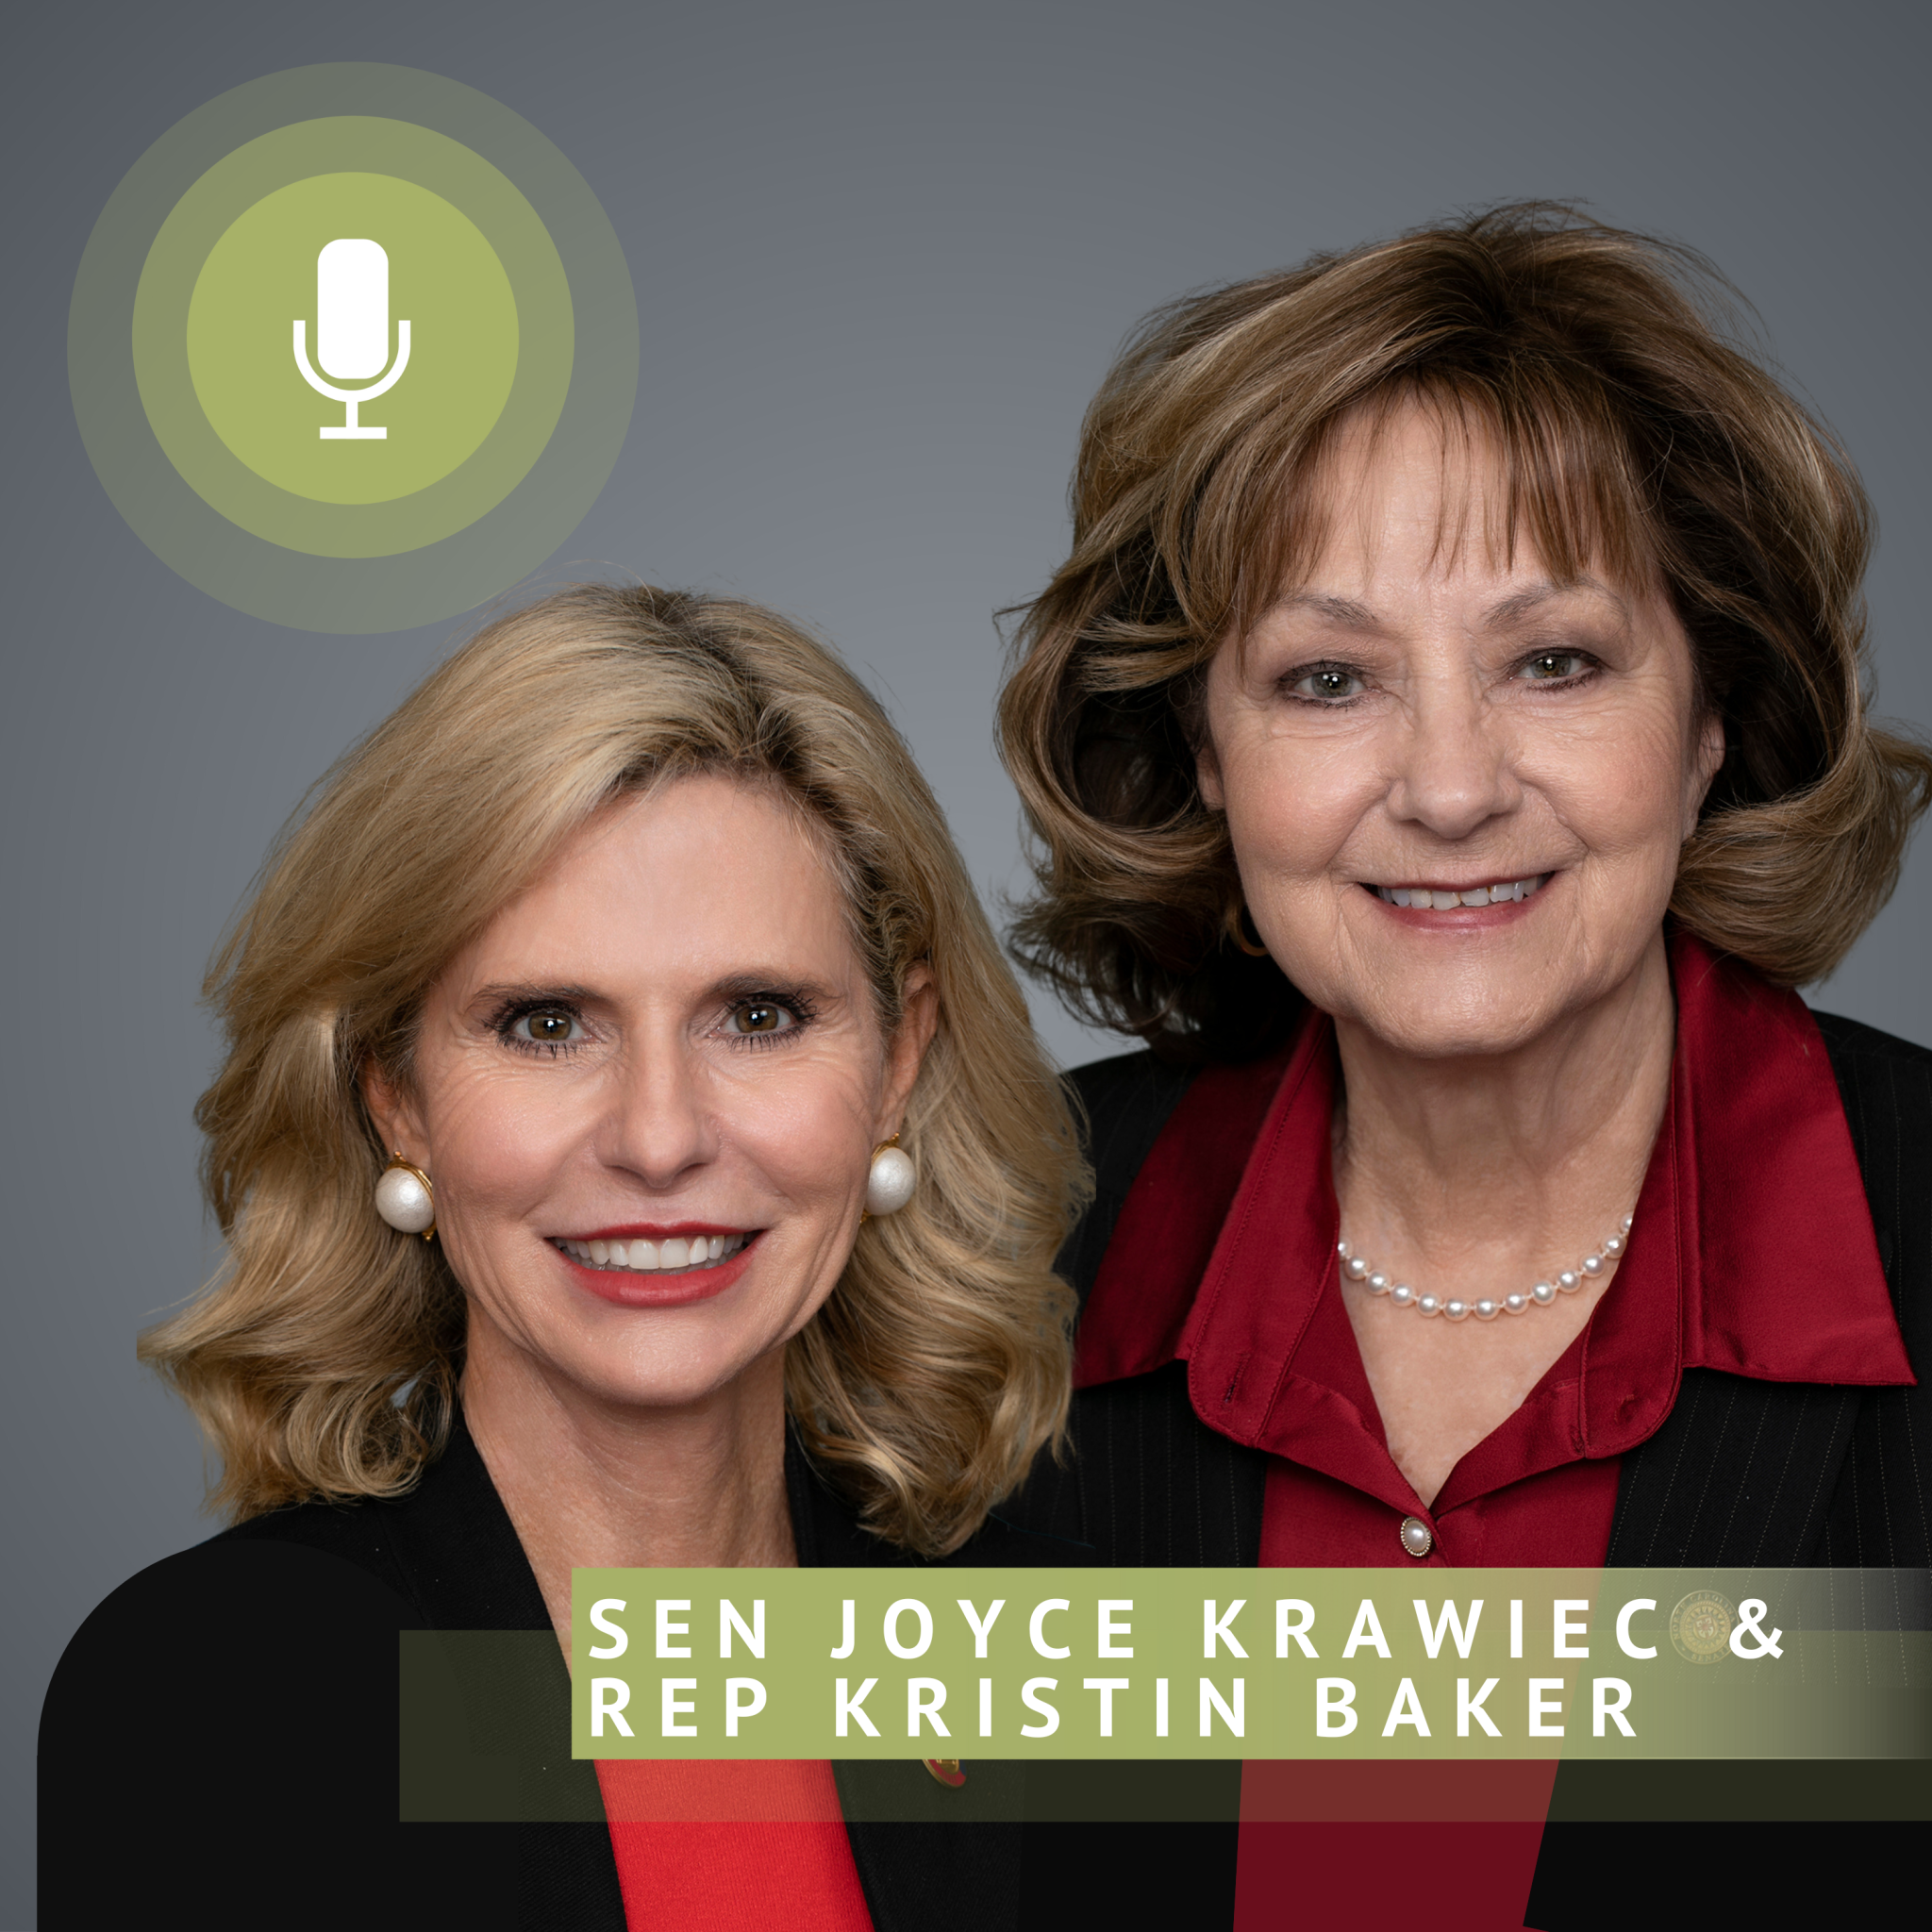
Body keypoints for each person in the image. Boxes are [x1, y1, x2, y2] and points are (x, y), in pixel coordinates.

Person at [995, 204, 1932, 1928]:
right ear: (1203, 749)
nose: (1446, 786)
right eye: (1328, 677)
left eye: (1553, 661)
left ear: (1714, 713)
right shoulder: (1002, 1262)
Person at [39, 583, 1089, 1932]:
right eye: (545, 1026)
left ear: (899, 1064)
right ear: (396, 1098)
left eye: (759, 1015)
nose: (659, 1138)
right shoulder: (219, 1690)